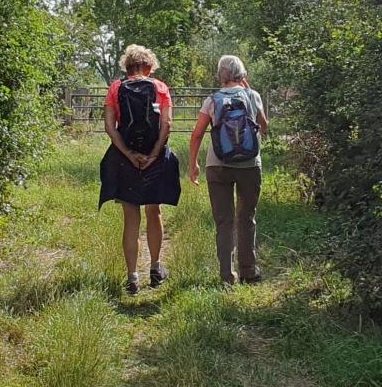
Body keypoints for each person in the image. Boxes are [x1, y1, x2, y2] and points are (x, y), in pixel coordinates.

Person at [99, 44, 182, 294]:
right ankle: (156, 268)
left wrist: (128, 154)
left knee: (130, 217)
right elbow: (166, 124)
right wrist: (154, 154)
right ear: (148, 67)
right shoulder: (160, 88)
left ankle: (132, 277)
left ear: (127, 67)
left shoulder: (116, 88)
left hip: (125, 160)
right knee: (153, 211)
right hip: (154, 158)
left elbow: (110, 127)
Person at [189, 55, 270, 285]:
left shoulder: (212, 100)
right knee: (246, 217)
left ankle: (227, 276)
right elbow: (264, 127)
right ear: (242, 75)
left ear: (220, 75)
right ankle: (249, 271)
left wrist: (193, 164)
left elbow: (196, 134)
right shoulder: (253, 96)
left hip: (217, 166)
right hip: (249, 166)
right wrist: (252, 94)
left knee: (224, 222)